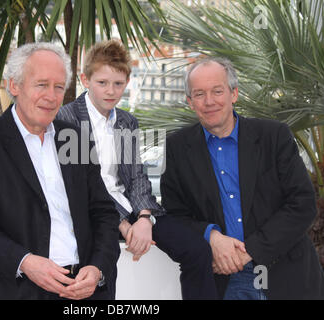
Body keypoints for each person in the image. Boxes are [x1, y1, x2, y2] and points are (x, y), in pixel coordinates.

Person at [0, 42, 119, 300]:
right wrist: (26, 262)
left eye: (58, 87)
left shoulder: (74, 138)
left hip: (85, 291)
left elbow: (104, 213)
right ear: (14, 86)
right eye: (41, 85)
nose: (51, 96)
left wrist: (98, 268)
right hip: (18, 290)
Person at [56, 39, 218, 300]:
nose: (111, 91)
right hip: (93, 213)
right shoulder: (67, 119)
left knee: (197, 250)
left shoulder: (126, 121)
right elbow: (84, 187)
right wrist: (122, 224)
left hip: (132, 209)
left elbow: (137, 175)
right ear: (85, 80)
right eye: (103, 83)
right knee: (106, 264)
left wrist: (144, 217)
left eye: (118, 84)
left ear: (127, 82)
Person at [161, 57, 324, 300]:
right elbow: (174, 215)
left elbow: (302, 204)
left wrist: (250, 251)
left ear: (234, 94)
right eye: (199, 94)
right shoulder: (176, 147)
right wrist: (212, 235)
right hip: (222, 281)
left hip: (286, 275)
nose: (209, 101)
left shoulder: (274, 136)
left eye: (217, 91)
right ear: (190, 102)